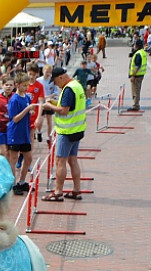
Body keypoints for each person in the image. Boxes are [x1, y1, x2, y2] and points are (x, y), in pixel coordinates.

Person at [42, 67, 86, 201]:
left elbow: (64, 110)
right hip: (78, 129)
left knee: (60, 161)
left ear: (61, 77)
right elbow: (69, 106)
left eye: (55, 81)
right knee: (73, 160)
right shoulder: (76, 85)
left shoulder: (68, 89)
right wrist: (55, 102)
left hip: (67, 131)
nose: (55, 84)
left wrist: (49, 106)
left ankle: (58, 192)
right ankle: (76, 190)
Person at [6, 72, 39, 195]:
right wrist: (27, 110)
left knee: (28, 158)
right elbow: (14, 118)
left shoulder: (27, 97)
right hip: (15, 133)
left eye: (27, 85)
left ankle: (22, 181)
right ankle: (13, 184)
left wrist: (30, 112)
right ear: (17, 85)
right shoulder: (14, 99)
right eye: (24, 85)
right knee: (13, 159)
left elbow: (28, 111)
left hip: (25, 132)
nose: (26, 88)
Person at [128, 39, 148, 111]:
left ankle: (135, 105)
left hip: (137, 75)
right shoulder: (142, 52)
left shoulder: (138, 54)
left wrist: (133, 75)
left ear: (137, 46)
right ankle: (136, 104)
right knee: (137, 90)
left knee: (135, 90)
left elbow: (137, 66)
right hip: (140, 74)